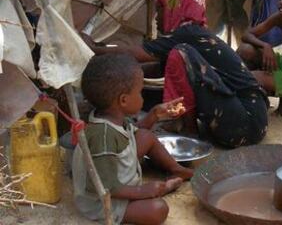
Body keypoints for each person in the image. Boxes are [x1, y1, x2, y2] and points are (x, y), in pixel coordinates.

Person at [82, 0, 269, 148]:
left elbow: (135, 53)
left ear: (176, 7)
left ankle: (189, 130)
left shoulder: (189, 35)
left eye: (161, 8)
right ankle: (184, 124)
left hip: (246, 123)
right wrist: (120, 78)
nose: (156, 16)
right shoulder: (193, 37)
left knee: (180, 53)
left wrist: (95, 48)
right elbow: (155, 69)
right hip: (246, 121)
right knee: (174, 59)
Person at [72, 54, 193, 225]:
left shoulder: (114, 116)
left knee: (146, 136)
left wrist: (155, 115)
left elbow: (136, 133)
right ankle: (163, 188)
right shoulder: (102, 136)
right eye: (140, 92)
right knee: (158, 210)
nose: (142, 97)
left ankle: (177, 169)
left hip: (118, 174)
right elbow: (106, 187)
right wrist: (143, 191)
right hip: (102, 200)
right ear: (123, 100)